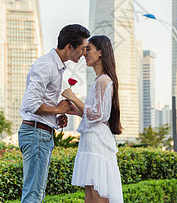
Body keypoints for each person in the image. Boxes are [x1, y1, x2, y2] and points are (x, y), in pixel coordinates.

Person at [19, 24, 90, 203]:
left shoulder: (55, 66)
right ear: (69, 47)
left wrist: (55, 116)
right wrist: (58, 109)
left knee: (37, 193)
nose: (84, 53)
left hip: (41, 133)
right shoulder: (46, 65)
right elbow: (30, 103)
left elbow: (40, 102)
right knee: (33, 194)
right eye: (82, 49)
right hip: (36, 134)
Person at [61, 35, 123, 203]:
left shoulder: (103, 80)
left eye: (88, 49)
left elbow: (98, 115)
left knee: (97, 193)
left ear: (101, 52)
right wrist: (76, 110)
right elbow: (94, 115)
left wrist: (74, 98)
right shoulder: (98, 80)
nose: (84, 53)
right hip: (91, 139)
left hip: (97, 142)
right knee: (90, 194)